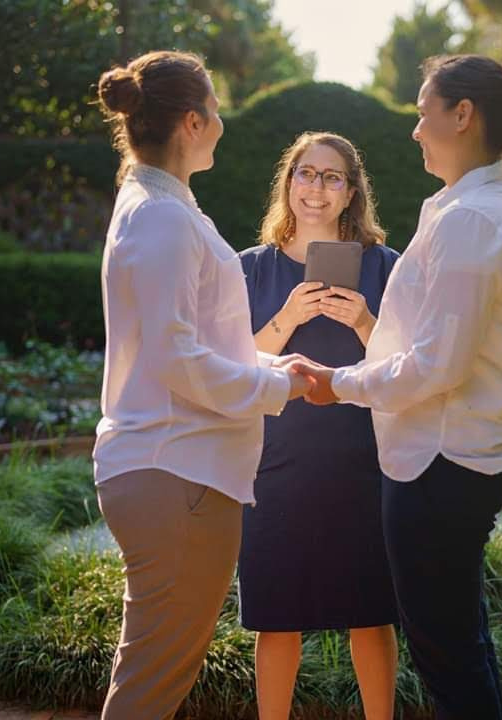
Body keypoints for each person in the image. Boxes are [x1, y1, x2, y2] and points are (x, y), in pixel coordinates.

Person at [297, 55, 502, 720]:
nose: (414, 130)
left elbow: (438, 364)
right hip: (451, 455)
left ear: (462, 116)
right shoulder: (464, 208)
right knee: (459, 643)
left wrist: (338, 384)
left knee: (447, 655)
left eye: (421, 111)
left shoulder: (471, 221)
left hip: (443, 461)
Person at [92, 50, 313, 720]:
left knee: (155, 677)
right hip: (176, 473)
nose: (222, 120)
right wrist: (279, 389)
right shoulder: (161, 216)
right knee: (152, 684)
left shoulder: (159, 204)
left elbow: (193, 347)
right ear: (191, 121)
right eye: (215, 107)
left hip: (176, 471)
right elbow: (178, 359)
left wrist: (277, 370)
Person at [237, 132, 400, 720]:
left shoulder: (385, 266)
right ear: (288, 183)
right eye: (306, 173)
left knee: (371, 613)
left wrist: (364, 321)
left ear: (351, 193)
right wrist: (287, 318)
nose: (316, 188)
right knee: (276, 617)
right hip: (274, 465)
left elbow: (410, 366)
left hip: (364, 464)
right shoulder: (250, 269)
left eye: (332, 177)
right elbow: (229, 366)